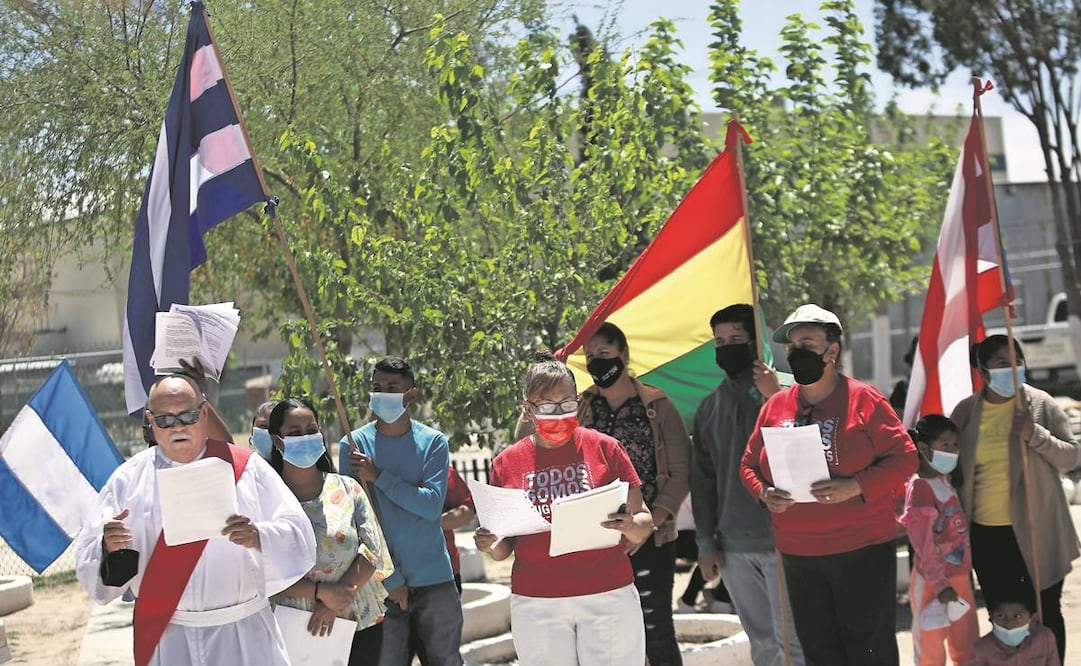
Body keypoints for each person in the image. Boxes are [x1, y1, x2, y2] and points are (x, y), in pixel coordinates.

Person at [74, 375, 317, 666]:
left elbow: (299, 536)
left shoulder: (247, 469)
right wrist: (108, 547)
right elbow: (96, 568)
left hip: (243, 635)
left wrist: (259, 536)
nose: (178, 427)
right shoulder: (128, 481)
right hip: (169, 635)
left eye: (187, 416)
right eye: (165, 419)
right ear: (150, 420)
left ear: (203, 414)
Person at [741, 303, 917, 666]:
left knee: (869, 652)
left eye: (807, 343)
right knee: (821, 654)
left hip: (863, 550)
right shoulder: (775, 407)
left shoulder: (865, 401)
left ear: (832, 350)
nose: (797, 353)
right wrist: (763, 493)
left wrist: (856, 485)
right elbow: (748, 464)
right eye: (792, 347)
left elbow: (906, 458)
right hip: (800, 554)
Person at [474, 351, 652, 666]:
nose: (558, 413)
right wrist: (490, 544)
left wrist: (628, 524)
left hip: (608, 596)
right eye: (546, 405)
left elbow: (643, 521)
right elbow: (504, 550)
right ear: (527, 408)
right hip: (537, 603)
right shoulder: (506, 464)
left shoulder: (606, 449)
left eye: (566, 404)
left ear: (578, 402)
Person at [950, 335, 1079, 662]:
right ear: (982, 370)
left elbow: (1071, 457)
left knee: (1045, 611)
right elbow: (951, 467)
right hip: (987, 533)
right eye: (1001, 364)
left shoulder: (1040, 405)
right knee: (1003, 616)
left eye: (1017, 361)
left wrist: (1035, 435)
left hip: (1039, 529)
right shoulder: (966, 412)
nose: (1012, 369)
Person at [692, 304, 804, 665]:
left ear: (757, 344)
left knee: (795, 642)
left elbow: (807, 453)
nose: (726, 348)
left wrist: (774, 398)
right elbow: (704, 483)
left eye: (736, 339)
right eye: (719, 341)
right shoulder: (709, 408)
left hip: (787, 539)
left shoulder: (793, 394)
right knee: (763, 643)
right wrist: (706, 543)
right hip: (734, 547)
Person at [339, 356, 463, 666]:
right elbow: (358, 522)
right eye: (377, 387)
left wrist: (379, 476)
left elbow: (431, 506)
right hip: (381, 585)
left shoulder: (433, 443)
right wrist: (390, 579)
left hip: (435, 580)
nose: (382, 394)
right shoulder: (353, 447)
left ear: (411, 394)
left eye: (392, 387)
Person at [578, 321, 689, 666]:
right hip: (595, 540)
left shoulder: (657, 406)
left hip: (651, 541)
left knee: (656, 631)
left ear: (624, 355)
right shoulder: (580, 407)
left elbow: (680, 474)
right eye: (590, 356)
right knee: (604, 636)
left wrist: (648, 524)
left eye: (605, 354)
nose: (597, 361)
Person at [269, 398, 393, 665]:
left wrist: (337, 598)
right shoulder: (268, 499)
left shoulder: (348, 488)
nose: (305, 437)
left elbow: (372, 549)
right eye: (294, 432)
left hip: (359, 620)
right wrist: (320, 594)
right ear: (277, 441)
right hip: (297, 626)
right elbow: (264, 568)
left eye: (311, 429)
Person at [900, 414, 978, 665]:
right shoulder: (921, 488)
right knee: (930, 653)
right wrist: (941, 585)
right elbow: (922, 546)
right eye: (946, 445)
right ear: (923, 448)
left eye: (955, 445)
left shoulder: (945, 482)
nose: (953, 451)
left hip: (960, 578)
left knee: (967, 648)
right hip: (934, 583)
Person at [408, 466, 475, 664]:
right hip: (396, 580)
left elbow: (467, 510)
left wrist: (431, 523)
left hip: (443, 576)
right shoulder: (378, 468)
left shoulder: (439, 467)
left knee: (440, 657)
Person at [963, 589, 1060, 665]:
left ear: (1033, 618)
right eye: (1001, 616)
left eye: (1017, 617)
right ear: (991, 616)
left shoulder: (1045, 639)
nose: (1009, 623)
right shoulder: (981, 649)